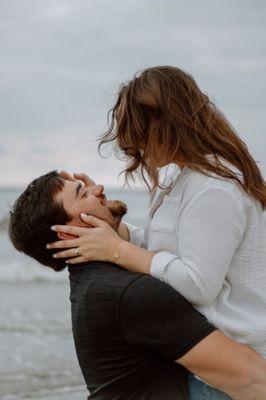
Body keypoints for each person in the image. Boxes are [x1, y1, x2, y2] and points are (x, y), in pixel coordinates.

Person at [46, 66, 266, 399]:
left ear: (162, 124)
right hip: (207, 363)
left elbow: (197, 283)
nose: (132, 144)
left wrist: (117, 251)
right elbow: (167, 251)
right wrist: (109, 226)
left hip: (229, 373)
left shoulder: (213, 188)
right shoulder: (185, 178)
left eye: (136, 131)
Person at [9, 171, 266, 400]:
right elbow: (251, 378)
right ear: (69, 234)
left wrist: (102, 215)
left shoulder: (91, 285)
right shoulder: (129, 293)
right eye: (82, 192)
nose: (97, 188)